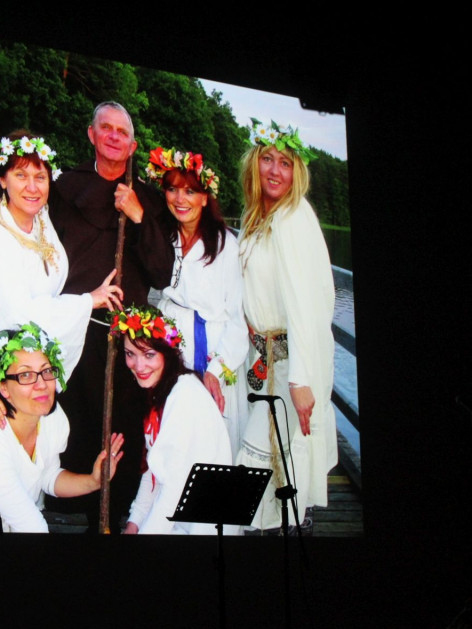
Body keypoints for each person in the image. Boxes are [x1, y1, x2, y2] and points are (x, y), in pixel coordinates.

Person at [47, 101, 175, 530]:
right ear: (92, 134)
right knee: (75, 421)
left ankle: (118, 512)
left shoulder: (149, 199)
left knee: (123, 428)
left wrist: (138, 217)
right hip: (76, 327)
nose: (115, 136)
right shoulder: (64, 187)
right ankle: (73, 507)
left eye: (123, 131)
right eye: (107, 128)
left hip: (127, 341)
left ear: (133, 144)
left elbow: (162, 271)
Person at [236, 120, 336, 531]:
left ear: (297, 172)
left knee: (259, 460)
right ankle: (279, 532)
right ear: (254, 164)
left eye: (285, 162)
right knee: (272, 464)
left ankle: (286, 529)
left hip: (290, 363)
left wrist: (300, 380)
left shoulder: (295, 217)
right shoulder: (257, 215)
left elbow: (306, 304)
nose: (275, 170)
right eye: (267, 159)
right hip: (261, 361)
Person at [0, 323, 124, 533]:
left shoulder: (52, 417)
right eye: (25, 375)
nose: (41, 384)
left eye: (46, 371)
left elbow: (47, 476)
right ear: (3, 387)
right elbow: (30, 525)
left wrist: (93, 482)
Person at [0, 132, 122, 375]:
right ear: (2, 180)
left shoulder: (41, 217)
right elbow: (20, 316)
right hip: (9, 359)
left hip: (41, 350)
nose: (32, 187)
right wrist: (87, 301)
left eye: (40, 177)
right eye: (20, 175)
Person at [145, 146, 248, 454]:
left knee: (213, 440)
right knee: (172, 438)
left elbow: (237, 318)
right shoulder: (163, 236)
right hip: (172, 345)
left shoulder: (225, 245)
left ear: (205, 197)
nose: (180, 199)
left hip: (213, 350)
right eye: (173, 189)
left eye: (190, 191)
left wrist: (216, 371)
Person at [111, 305, 233, 535]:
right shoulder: (161, 394)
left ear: (167, 352)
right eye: (130, 354)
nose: (139, 366)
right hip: (179, 520)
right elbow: (154, 472)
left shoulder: (184, 395)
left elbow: (173, 489)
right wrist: (133, 524)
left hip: (203, 528)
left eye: (149, 355)